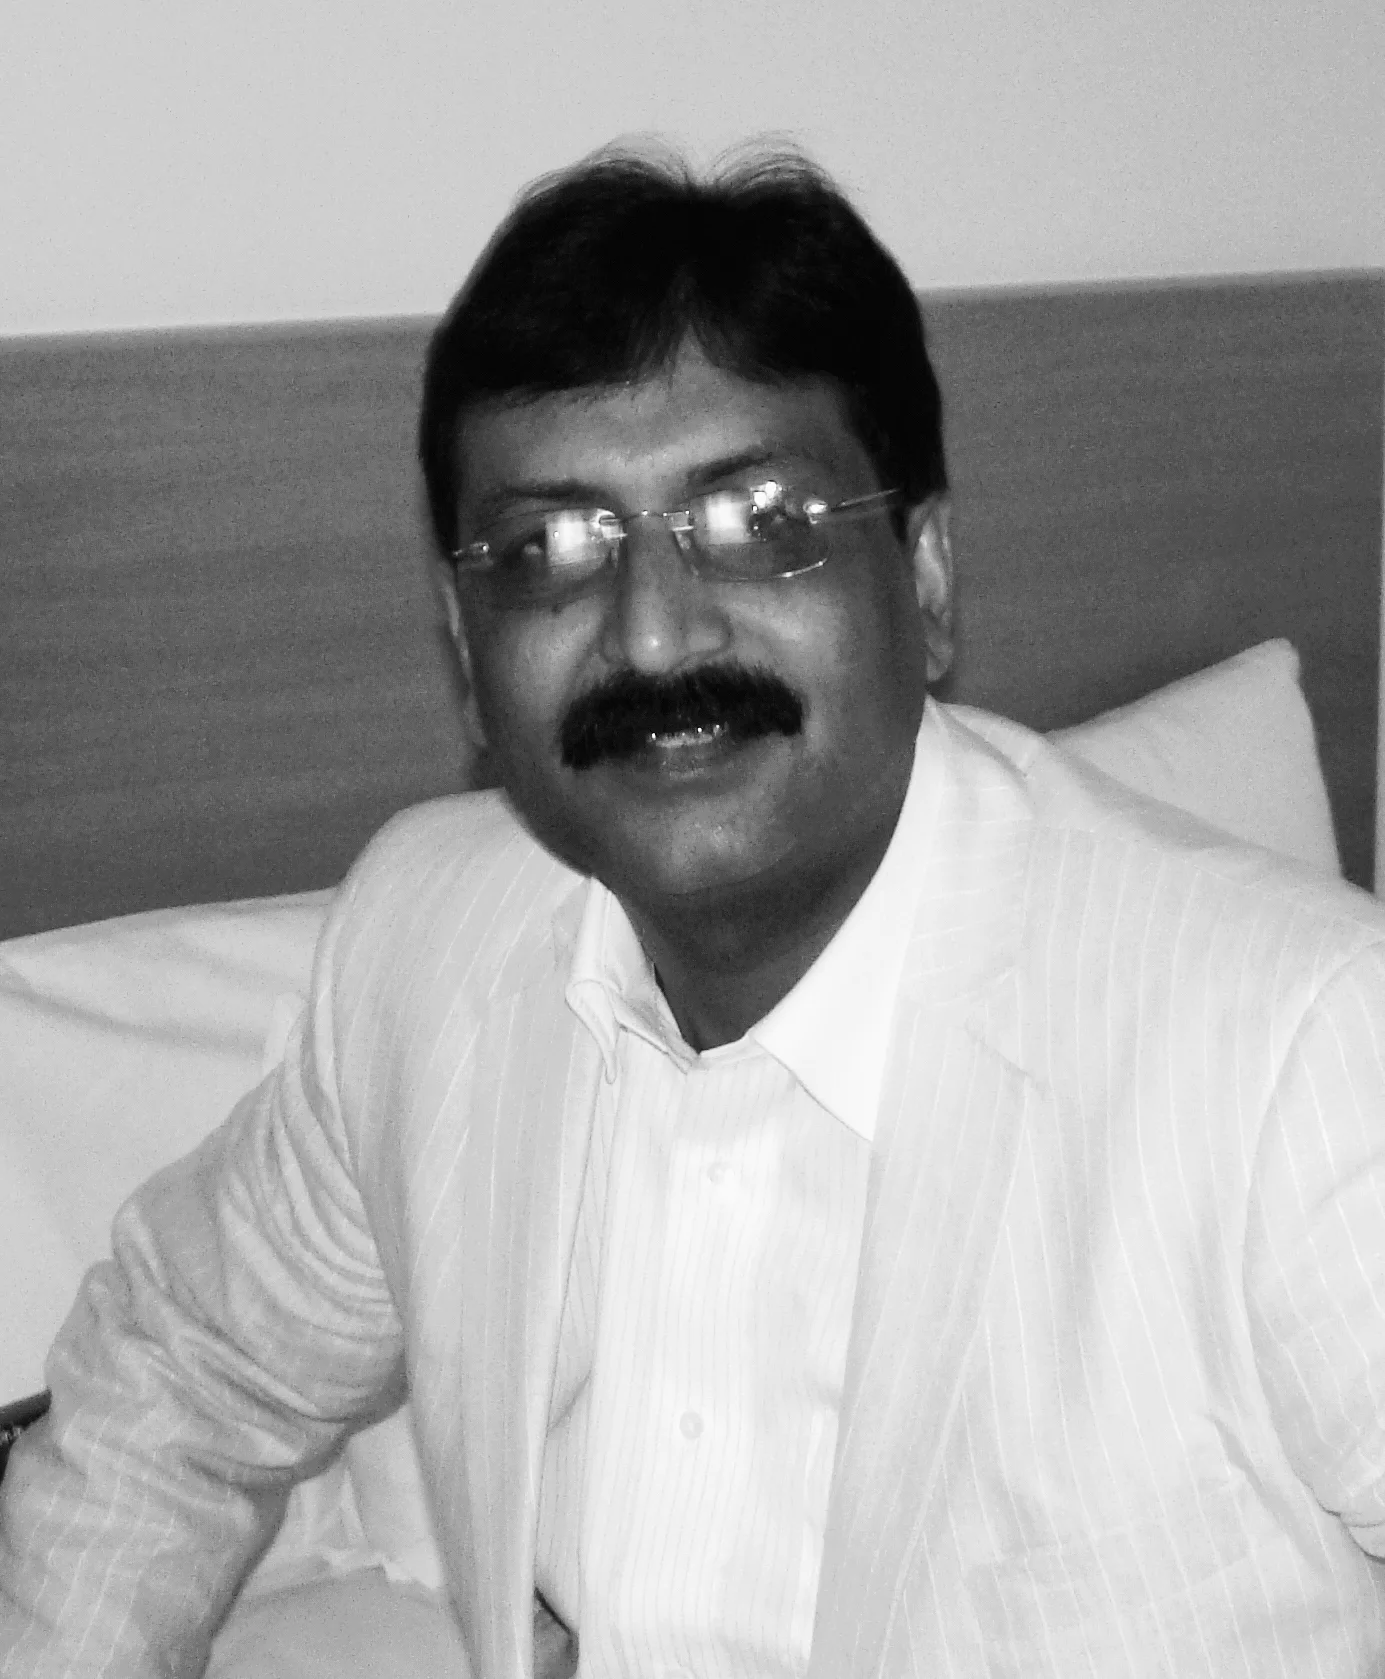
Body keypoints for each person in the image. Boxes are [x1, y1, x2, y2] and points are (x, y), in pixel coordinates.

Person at [3, 143, 1385, 1679]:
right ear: (466, 649)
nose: (655, 632)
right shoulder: (427, 947)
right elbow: (178, 1371)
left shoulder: (1302, 1062)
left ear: (925, 576)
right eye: (549, 551)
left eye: (761, 521)